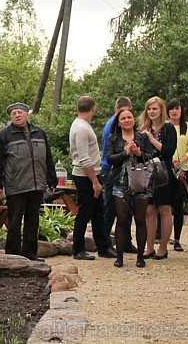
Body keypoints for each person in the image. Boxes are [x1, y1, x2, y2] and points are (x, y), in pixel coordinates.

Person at [0, 103, 57, 261]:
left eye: (20, 112)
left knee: (33, 220)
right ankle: (13, 253)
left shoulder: (40, 133)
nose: (17, 115)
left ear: (27, 114)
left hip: (37, 184)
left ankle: (30, 253)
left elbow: (48, 158)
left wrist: (52, 180)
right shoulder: (4, 135)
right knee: (14, 220)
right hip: (16, 185)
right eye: (13, 113)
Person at [69, 96, 116, 261]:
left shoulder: (82, 125)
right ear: (93, 109)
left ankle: (103, 246)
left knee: (98, 212)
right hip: (85, 175)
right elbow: (83, 158)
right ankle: (78, 249)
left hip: (92, 173)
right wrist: (94, 181)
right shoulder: (81, 128)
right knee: (84, 212)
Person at [105, 107, 152, 268]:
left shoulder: (142, 137)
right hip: (120, 182)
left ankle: (140, 256)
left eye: (129, 117)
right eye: (123, 118)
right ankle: (119, 256)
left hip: (140, 182)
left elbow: (150, 157)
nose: (127, 120)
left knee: (140, 219)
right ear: (118, 122)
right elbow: (109, 159)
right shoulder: (113, 138)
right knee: (122, 219)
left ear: (134, 120)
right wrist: (125, 153)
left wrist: (139, 153)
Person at [139, 96, 177, 260]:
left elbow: (168, 150)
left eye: (155, 108)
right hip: (148, 173)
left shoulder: (169, 128)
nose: (151, 111)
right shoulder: (145, 128)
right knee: (149, 210)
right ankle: (149, 247)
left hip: (163, 173)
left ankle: (163, 247)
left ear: (161, 110)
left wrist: (152, 139)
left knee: (164, 209)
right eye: (149, 109)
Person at [100, 96, 138, 254]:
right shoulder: (114, 127)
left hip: (124, 170)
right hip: (112, 169)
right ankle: (105, 244)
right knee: (111, 208)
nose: (127, 120)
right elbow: (111, 153)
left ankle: (126, 241)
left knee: (127, 208)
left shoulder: (112, 123)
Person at [167, 98, 188, 252]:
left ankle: (177, 239)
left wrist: (183, 160)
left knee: (179, 206)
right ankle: (162, 237)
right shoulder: (165, 126)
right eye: (171, 108)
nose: (174, 111)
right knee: (163, 206)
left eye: (177, 108)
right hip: (167, 168)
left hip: (182, 170)